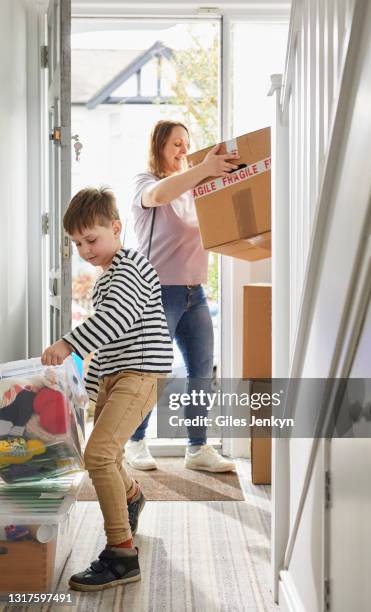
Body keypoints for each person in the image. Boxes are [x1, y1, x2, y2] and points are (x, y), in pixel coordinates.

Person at [41, 187, 173, 591]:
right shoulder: (107, 279)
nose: (84, 249)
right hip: (119, 377)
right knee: (104, 452)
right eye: (77, 243)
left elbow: (113, 322)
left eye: (91, 239)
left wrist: (68, 343)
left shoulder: (130, 267)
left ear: (116, 228)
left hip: (140, 375)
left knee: (98, 455)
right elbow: (108, 347)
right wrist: (89, 388)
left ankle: (121, 554)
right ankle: (131, 497)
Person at [125, 120, 238, 473]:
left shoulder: (194, 190)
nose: (183, 151)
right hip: (158, 292)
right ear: (158, 146)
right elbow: (159, 195)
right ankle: (135, 441)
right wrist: (203, 169)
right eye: (176, 143)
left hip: (195, 293)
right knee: (151, 373)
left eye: (186, 144)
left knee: (201, 372)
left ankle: (197, 448)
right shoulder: (145, 183)